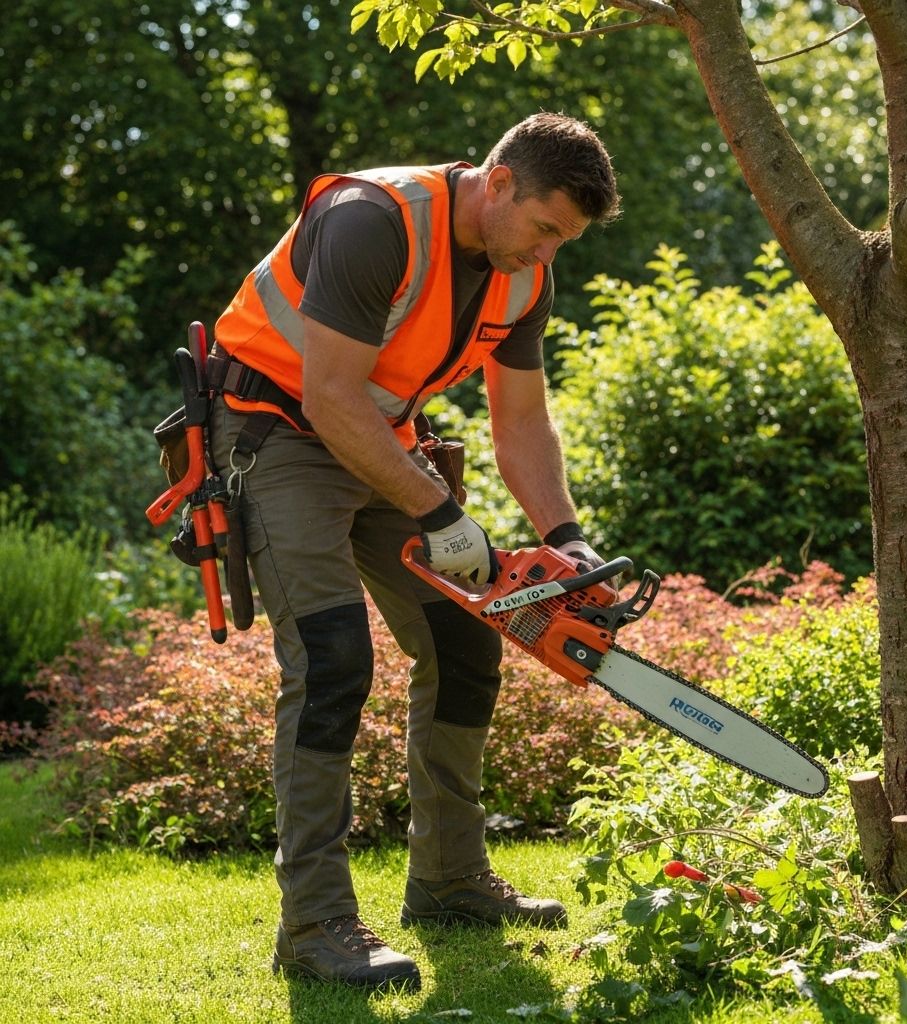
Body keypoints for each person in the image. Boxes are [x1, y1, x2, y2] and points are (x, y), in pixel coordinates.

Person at [206, 112, 621, 992]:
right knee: (330, 659)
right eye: (546, 229)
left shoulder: (522, 279)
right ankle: (315, 923)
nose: (548, 254)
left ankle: (449, 880)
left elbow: (521, 424)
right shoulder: (376, 219)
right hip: (277, 434)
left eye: (566, 242)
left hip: (382, 443)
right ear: (499, 180)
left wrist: (564, 539)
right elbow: (327, 395)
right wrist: (440, 513)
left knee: (466, 646)